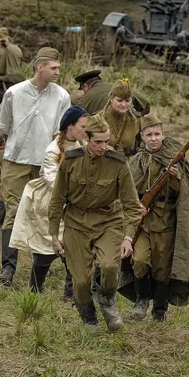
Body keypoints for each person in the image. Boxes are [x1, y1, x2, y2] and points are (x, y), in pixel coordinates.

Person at [0, 47, 71, 287]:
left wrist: (64, 159)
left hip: (46, 163)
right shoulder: (14, 93)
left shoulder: (61, 96)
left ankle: (42, 268)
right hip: (16, 160)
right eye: (54, 68)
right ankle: (8, 268)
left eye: (59, 67)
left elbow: (64, 133)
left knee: (47, 213)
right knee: (13, 211)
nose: (58, 71)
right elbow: (1, 125)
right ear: (40, 67)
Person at [48, 114, 143, 333]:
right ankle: (88, 317)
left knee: (109, 266)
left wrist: (128, 237)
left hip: (108, 221)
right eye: (97, 141)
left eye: (106, 141)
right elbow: (57, 200)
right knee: (80, 282)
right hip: (75, 223)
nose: (103, 146)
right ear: (86, 138)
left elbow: (132, 205)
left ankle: (108, 300)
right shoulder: (70, 161)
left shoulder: (118, 163)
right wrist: (54, 235)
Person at [117, 114, 189, 322]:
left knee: (163, 267)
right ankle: (142, 299)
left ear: (163, 135)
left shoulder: (174, 157)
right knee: (140, 259)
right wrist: (136, 207)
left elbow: (185, 192)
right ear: (142, 136)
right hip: (142, 223)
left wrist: (176, 178)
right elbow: (127, 191)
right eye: (149, 134)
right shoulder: (135, 161)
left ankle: (160, 310)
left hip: (166, 221)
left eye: (157, 134)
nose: (154, 138)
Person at [9, 105, 88, 301]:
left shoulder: (82, 147)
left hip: (73, 204)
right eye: (82, 126)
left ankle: (71, 294)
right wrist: (75, 193)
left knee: (73, 250)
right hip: (52, 204)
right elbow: (53, 180)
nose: (85, 130)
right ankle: (35, 289)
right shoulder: (53, 150)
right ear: (70, 127)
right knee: (47, 251)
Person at [94, 79, 140, 157]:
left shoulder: (135, 121)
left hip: (124, 166)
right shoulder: (98, 119)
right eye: (119, 100)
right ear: (111, 99)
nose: (124, 104)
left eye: (127, 100)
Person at [74, 70, 150, 116]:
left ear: (85, 86)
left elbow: (77, 118)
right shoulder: (119, 88)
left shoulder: (85, 99)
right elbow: (146, 104)